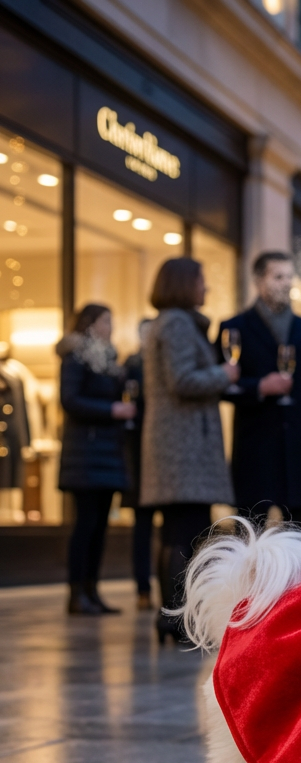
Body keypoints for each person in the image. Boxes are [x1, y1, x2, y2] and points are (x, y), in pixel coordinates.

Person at [140, 257, 239, 643]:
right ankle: (176, 617)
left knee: (180, 531)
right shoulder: (177, 323)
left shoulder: (168, 324)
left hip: (177, 444)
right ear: (184, 284)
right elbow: (181, 379)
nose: (206, 288)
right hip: (181, 446)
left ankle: (173, 616)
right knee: (185, 532)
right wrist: (224, 375)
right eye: (201, 280)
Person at [218, 252, 301, 530]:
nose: (286, 283)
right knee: (249, 534)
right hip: (255, 449)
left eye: (289, 277)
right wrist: (258, 387)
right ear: (259, 281)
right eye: (278, 276)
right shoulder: (234, 328)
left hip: (299, 449)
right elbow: (222, 385)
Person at [56, 304, 135, 615]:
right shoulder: (75, 358)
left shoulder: (109, 360)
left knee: (101, 526)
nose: (110, 326)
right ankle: (76, 593)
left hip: (108, 453)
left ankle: (92, 590)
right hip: (84, 455)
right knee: (85, 525)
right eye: (105, 320)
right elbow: (69, 399)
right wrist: (111, 410)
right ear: (90, 324)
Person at [120, 322, 156, 609]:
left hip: (157, 457)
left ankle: (165, 589)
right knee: (142, 529)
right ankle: (142, 589)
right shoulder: (132, 366)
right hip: (139, 460)